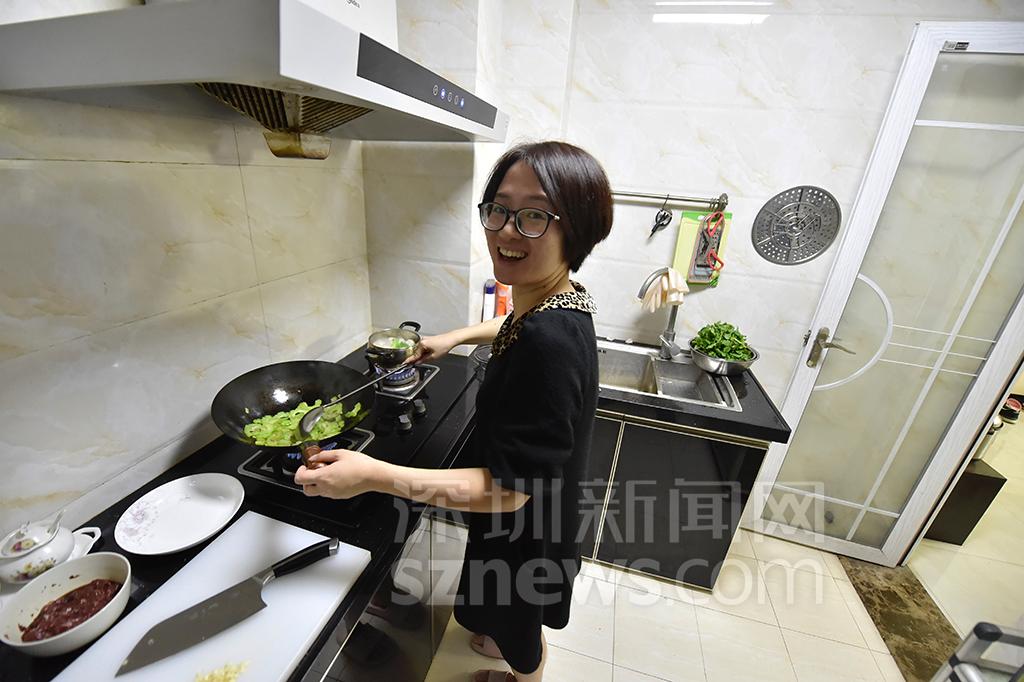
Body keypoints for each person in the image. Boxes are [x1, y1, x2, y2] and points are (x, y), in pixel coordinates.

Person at [294, 140, 613, 682]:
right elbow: (516, 324)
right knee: (502, 615)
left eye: (535, 215)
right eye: (499, 209)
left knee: (520, 632)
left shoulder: (548, 343)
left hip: (526, 529)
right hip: (540, 511)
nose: (507, 230)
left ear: (576, 229)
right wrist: (456, 336)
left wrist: (373, 474)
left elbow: (509, 492)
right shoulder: (560, 300)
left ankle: (524, 676)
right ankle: (498, 641)